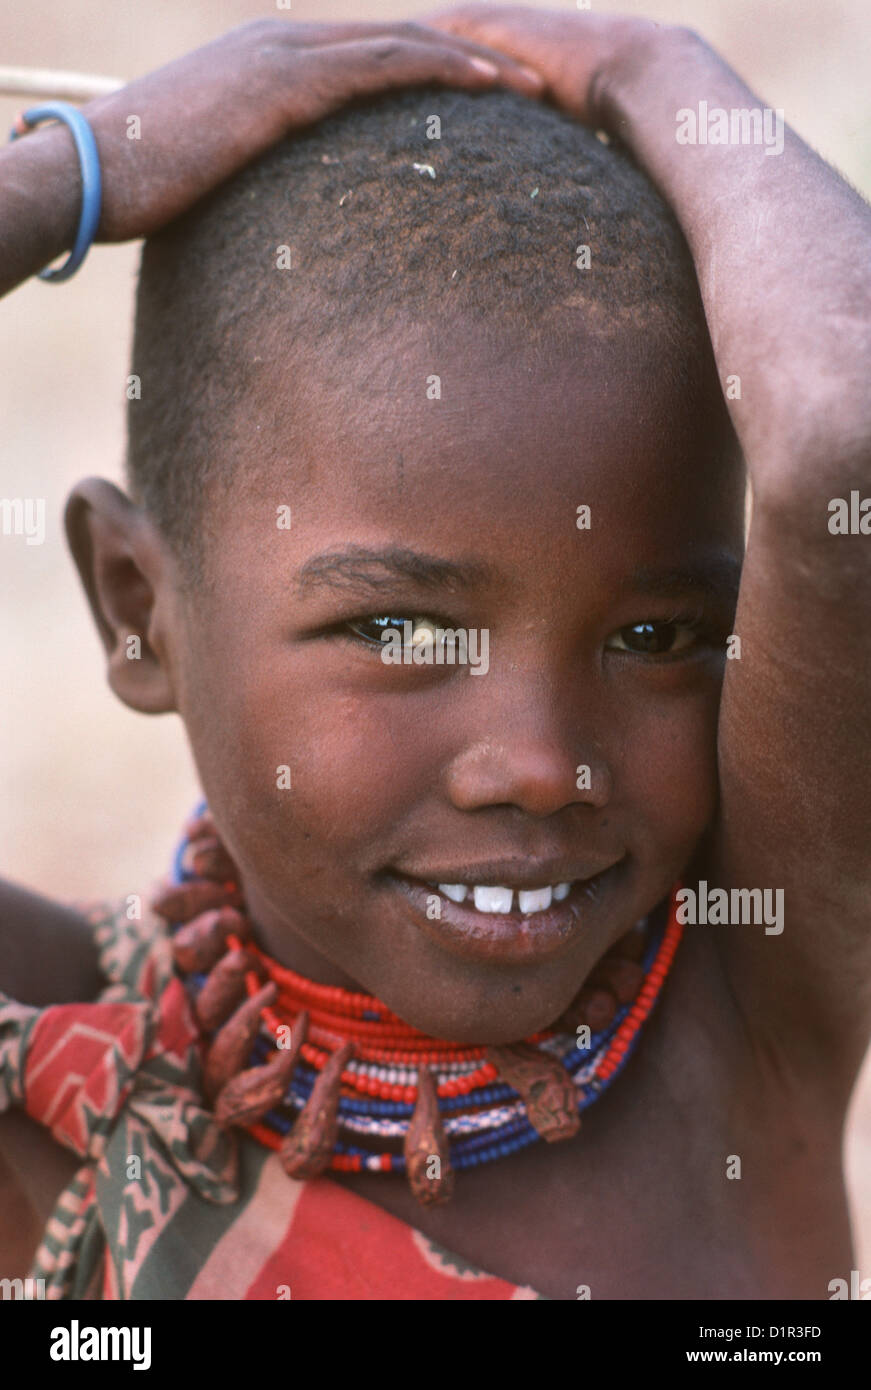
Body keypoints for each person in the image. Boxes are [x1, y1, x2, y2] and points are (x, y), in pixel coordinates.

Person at [1, 7, 869, 1301]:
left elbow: (836, 439)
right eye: (400, 628)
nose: (538, 766)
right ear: (137, 605)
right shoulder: (59, 1062)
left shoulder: (747, 1011)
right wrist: (66, 174)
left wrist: (658, 67)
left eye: (657, 635)